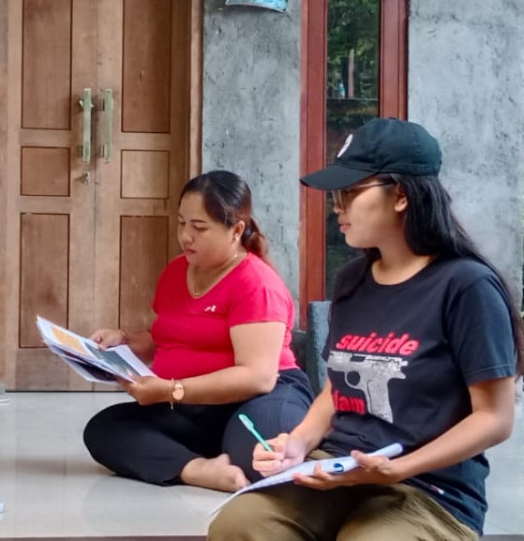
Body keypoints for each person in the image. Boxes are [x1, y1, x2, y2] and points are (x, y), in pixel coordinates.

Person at [209, 118, 523, 541]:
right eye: (335, 196)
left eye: (350, 193)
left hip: (429, 488)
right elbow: (336, 387)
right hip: (342, 468)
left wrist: (399, 468)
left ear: (401, 195)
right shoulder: (353, 280)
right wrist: (298, 443)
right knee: (241, 523)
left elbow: (495, 418)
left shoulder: (467, 287)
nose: (337, 207)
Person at [82, 171, 314, 492]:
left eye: (199, 227)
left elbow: (258, 377)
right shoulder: (176, 271)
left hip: (262, 396)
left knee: (265, 460)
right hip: (195, 404)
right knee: (104, 429)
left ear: (236, 230)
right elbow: (168, 339)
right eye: (182, 223)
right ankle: (199, 469)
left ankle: (223, 450)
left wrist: (170, 390)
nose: (185, 236)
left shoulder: (256, 283)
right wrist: (123, 340)